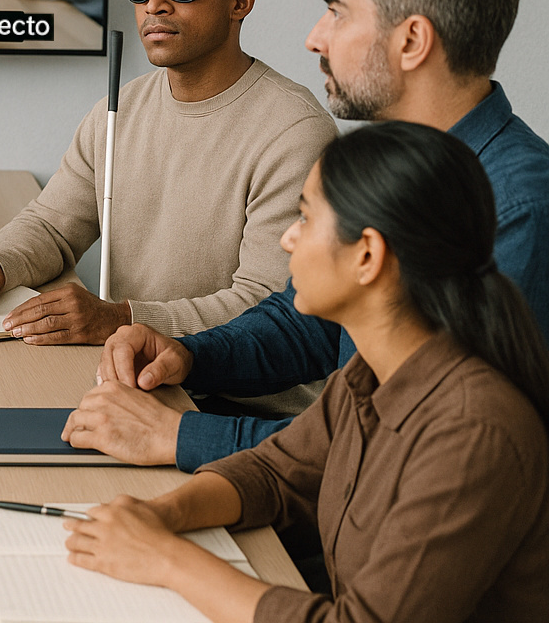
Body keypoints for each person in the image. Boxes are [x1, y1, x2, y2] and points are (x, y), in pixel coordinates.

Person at [64, 0, 549, 471]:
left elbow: (418, 454)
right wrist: (189, 355)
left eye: (337, 14)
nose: (314, 38)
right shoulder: (397, 166)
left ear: (412, 40)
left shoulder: (516, 210)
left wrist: (185, 437)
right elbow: (312, 325)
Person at [64, 122, 549, 623]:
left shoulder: (473, 431)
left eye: (305, 217)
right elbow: (274, 472)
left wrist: (167, 560)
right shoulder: (368, 375)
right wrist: (161, 515)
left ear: (367, 254)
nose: (287, 238)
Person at [0, 0, 336, 347]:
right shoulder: (119, 109)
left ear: (239, 2)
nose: (154, 4)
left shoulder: (295, 133)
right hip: (133, 371)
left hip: (231, 401)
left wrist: (121, 319)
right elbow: (54, 226)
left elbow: (266, 306)